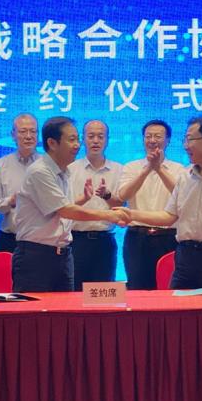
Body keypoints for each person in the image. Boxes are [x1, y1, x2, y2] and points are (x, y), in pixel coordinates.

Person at [122, 117, 202, 290]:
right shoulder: (185, 177)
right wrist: (130, 214)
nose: (186, 146)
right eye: (185, 140)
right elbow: (169, 216)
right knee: (176, 305)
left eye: (190, 139)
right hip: (184, 257)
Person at [12, 116, 128, 292]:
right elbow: (65, 210)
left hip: (62, 255)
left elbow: (59, 207)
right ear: (52, 143)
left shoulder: (63, 171)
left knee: (68, 308)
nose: (77, 145)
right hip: (37, 257)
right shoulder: (40, 171)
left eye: (77, 139)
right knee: (36, 309)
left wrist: (82, 200)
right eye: (72, 140)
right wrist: (110, 215)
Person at [117, 120, 183, 289]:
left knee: (168, 288)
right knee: (137, 288)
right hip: (137, 237)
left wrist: (158, 168)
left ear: (168, 140)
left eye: (158, 136)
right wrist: (147, 169)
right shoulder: (131, 167)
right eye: (148, 136)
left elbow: (181, 196)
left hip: (169, 237)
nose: (152, 140)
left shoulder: (179, 169)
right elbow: (123, 195)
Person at [68, 120, 123, 287]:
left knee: (103, 292)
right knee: (74, 292)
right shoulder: (70, 169)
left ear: (107, 140)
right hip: (76, 240)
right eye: (91, 136)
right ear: (82, 139)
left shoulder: (119, 170)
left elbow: (122, 206)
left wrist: (106, 196)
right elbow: (63, 207)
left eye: (100, 136)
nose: (96, 141)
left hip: (105, 241)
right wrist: (83, 198)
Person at [0, 113, 40, 254]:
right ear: (13, 135)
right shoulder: (1, 165)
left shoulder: (49, 165)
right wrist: (11, 201)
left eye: (33, 131)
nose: (28, 136)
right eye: (23, 131)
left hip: (40, 241)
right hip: (9, 240)